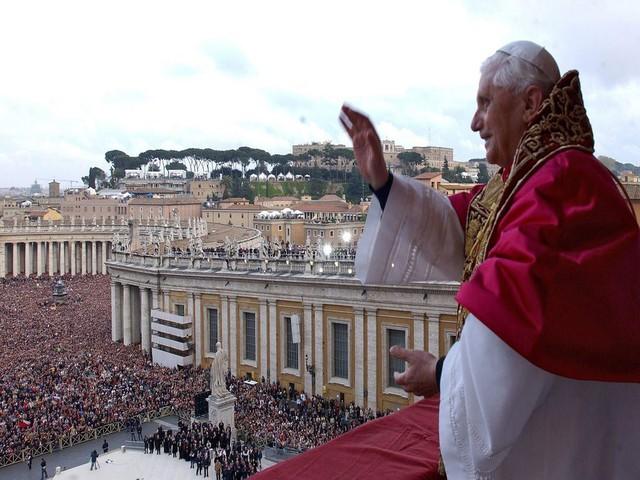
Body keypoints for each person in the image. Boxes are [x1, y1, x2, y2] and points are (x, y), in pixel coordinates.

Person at [338, 40, 640, 478]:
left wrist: (442, 373)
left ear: (531, 103)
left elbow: (511, 324)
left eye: (485, 102)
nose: (475, 122)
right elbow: (458, 227)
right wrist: (384, 182)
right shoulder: (532, 179)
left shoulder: (560, 188)